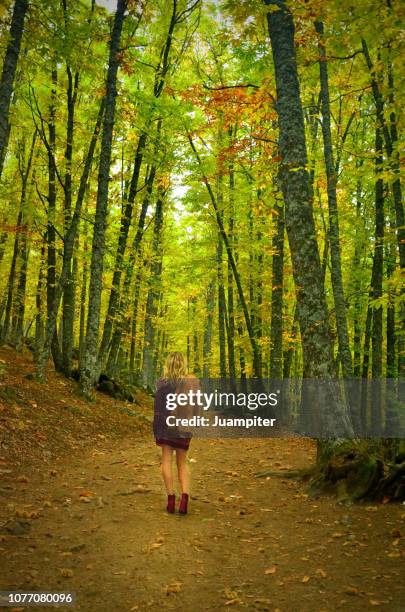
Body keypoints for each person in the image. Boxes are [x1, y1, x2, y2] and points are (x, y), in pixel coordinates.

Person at [153, 352, 200, 515]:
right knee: (182, 462)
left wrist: (157, 429)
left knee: (166, 460)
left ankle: (171, 500)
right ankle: (184, 501)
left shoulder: (161, 383)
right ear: (183, 364)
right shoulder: (192, 382)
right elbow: (197, 406)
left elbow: (157, 410)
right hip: (183, 427)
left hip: (166, 427)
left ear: (168, 364)